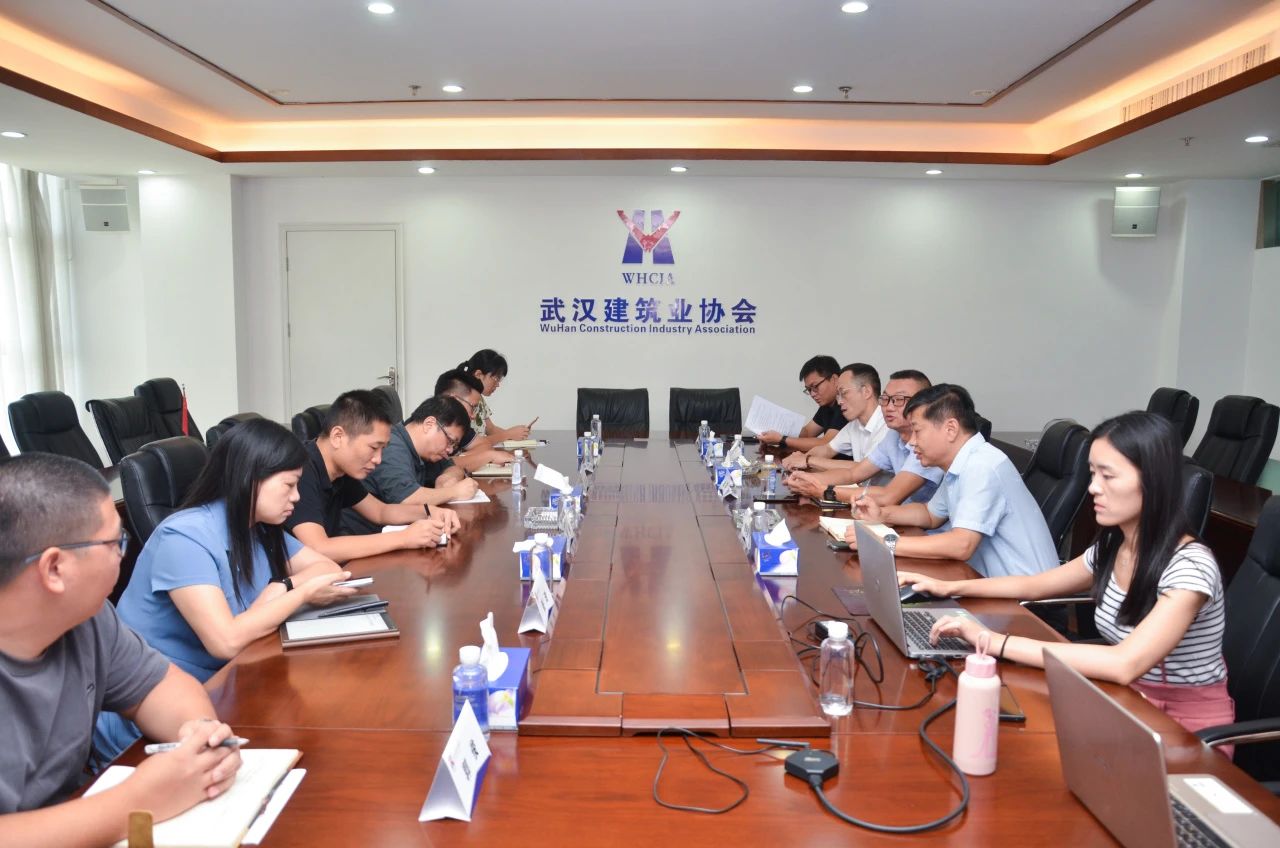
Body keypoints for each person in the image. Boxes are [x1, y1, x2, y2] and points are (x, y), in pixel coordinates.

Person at [903, 412, 1233, 740]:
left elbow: (1124, 663)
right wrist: (948, 586)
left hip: (1183, 727)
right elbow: (1035, 584)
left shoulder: (1190, 567)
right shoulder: (1114, 545)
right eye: (1093, 474)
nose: (1093, 488)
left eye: (1108, 476)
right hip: (1124, 701)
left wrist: (991, 641)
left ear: (1153, 482)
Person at [0, 453, 242, 846]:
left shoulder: (89, 619)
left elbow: (160, 687)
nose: (122, 554)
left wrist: (199, 737)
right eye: (115, 543)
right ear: (54, 568)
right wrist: (139, 800)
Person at [95, 419, 359, 760]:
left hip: (229, 686)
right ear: (251, 479)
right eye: (289, 485)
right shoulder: (185, 537)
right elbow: (225, 642)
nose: (296, 496)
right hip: (155, 718)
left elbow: (329, 569)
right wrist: (297, 592)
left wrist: (283, 586)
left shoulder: (258, 527)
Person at [846, 383, 1057, 577]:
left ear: (951, 429)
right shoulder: (962, 462)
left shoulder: (981, 466)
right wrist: (882, 514)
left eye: (917, 431)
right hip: (983, 583)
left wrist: (885, 542)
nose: (912, 442)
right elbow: (930, 515)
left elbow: (961, 544)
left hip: (1023, 598)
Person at [285, 389, 454, 562]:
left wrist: (429, 511)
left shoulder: (341, 470)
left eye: (382, 449)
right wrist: (404, 538)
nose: (378, 459)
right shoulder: (300, 470)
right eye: (374, 448)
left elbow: (380, 511)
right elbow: (319, 548)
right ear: (338, 436)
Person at [787, 369, 943, 506]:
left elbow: (889, 495)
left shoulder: (929, 443)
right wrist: (806, 479)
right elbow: (853, 474)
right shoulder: (893, 435)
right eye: (886, 399)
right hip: (897, 514)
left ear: (924, 405)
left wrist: (823, 490)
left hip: (919, 523)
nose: (889, 407)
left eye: (898, 400)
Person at [360, 395, 479, 511]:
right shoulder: (391, 446)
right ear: (429, 424)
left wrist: (446, 477)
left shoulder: (426, 451)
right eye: (450, 441)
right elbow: (406, 499)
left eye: (454, 445)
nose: (450, 450)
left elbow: (453, 467)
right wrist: (454, 492)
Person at [781, 363, 886, 471]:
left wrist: (808, 460)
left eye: (844, 393)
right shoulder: (854, 426)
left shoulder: (887, 425)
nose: (839, 402)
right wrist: (799, 459)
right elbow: (827, 449)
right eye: (838, 395)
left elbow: (865, 468)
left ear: (866, 391)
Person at [434, 367, 516, 473]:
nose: (473, 416)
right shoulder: (431, 427)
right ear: (454, 400)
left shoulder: (460, 426)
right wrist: (484, 457)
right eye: (472, 407)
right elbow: (437, 468)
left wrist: (459, 459)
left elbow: (485, 445)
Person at [757, 355, 844, 453]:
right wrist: (774, 433)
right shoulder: (826, 406)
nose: (812, 394)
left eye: (815, 386)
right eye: (809, 390)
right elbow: (807, 432)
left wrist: (782, 439)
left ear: (834, 379)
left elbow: (826, 443)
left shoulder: (845, 406)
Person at [460, 349, 534, 443]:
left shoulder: (479, 398)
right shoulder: (462, 401)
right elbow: (471, 443)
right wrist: (508, 434)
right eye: (496, 378)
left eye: (500, 379)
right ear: (478, 374)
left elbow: (491, 429)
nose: (498, 384)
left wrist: (516, 436)